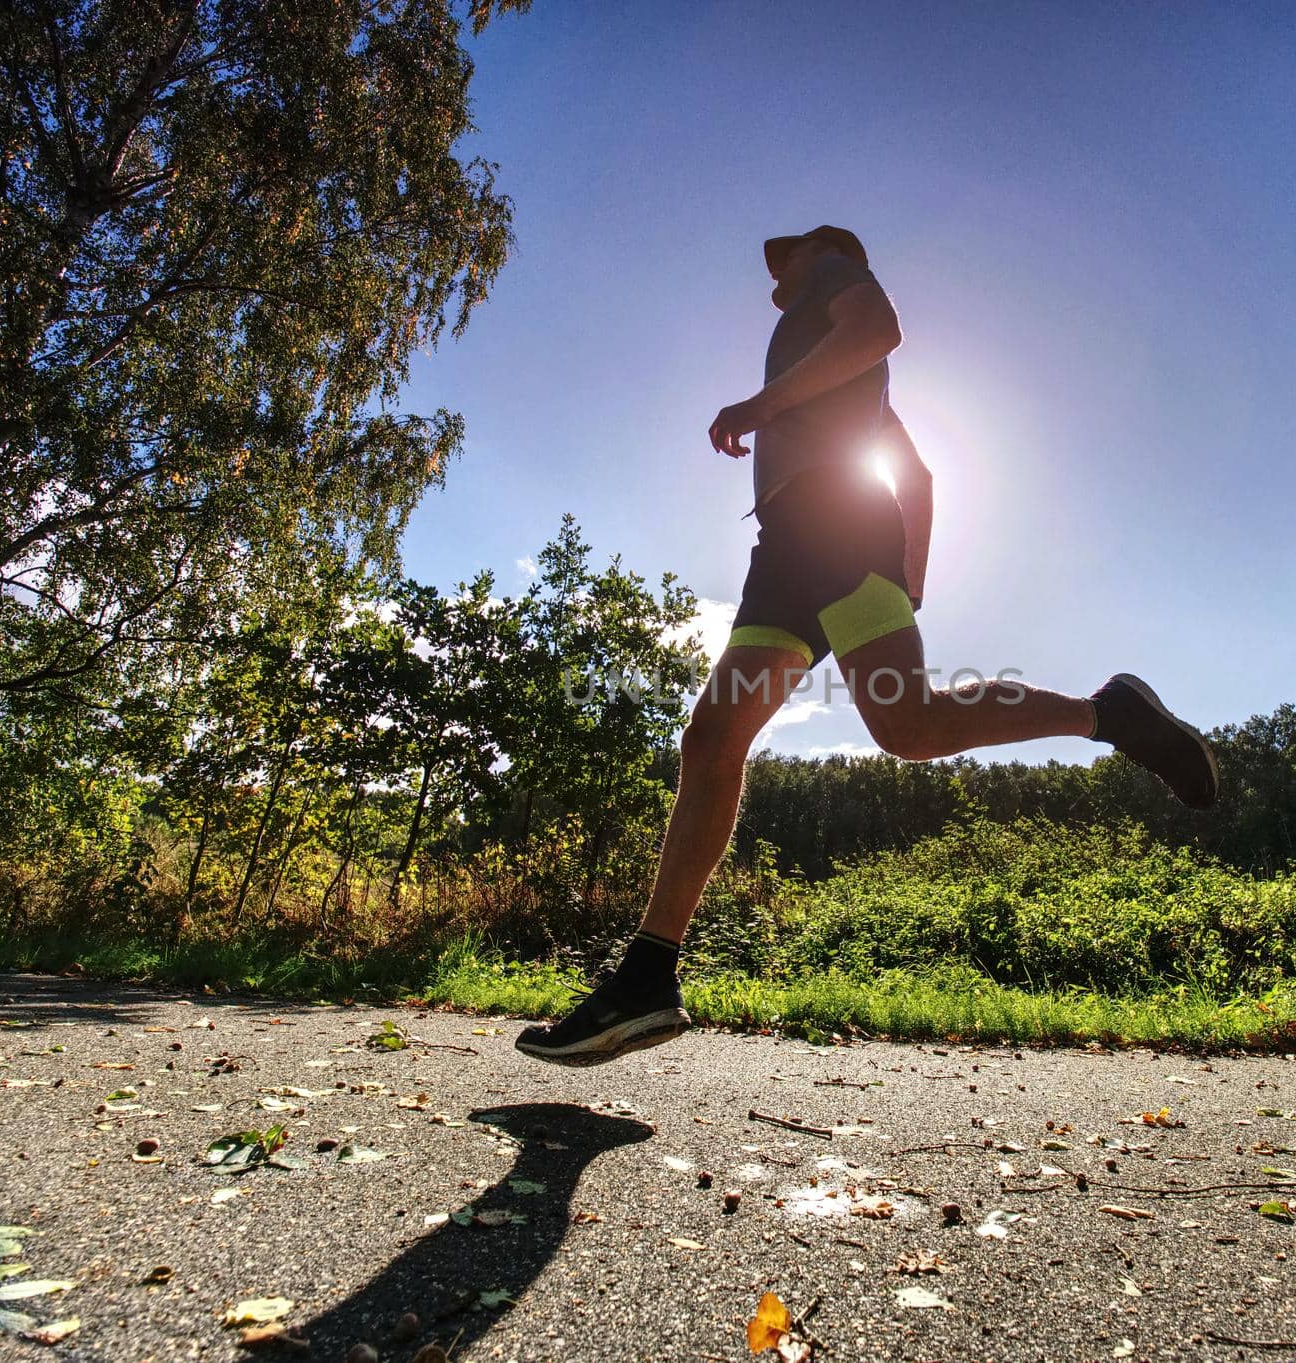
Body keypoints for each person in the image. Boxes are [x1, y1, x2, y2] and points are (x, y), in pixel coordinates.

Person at [516, 226, 1218, 1067]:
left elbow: (881, 327)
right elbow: (917, 476)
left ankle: (1111, 713)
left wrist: (762, 404)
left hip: (832, 523)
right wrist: (910, 580)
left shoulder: (837, 278)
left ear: (825, 252)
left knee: (907, 727)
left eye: (790, 257)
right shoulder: (855, 384)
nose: (776, 273)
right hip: (789, 545)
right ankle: (647, 978)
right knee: (715, 737)